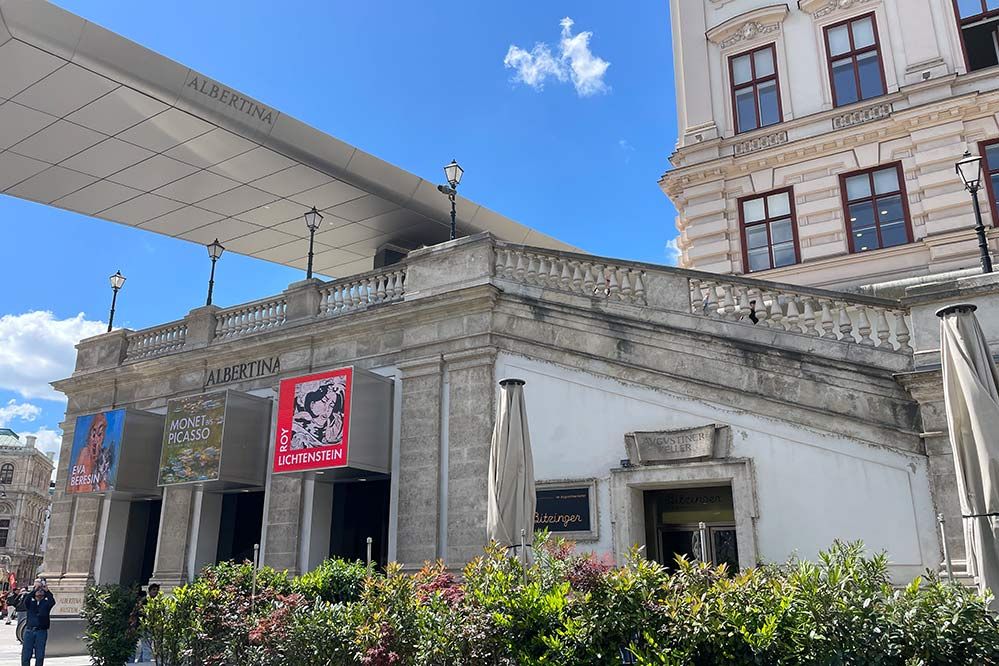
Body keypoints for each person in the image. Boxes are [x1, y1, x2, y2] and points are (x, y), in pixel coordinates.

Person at [21, 581, 54, 666]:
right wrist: (34, 589)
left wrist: (47, 591)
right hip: (29, 630)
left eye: (41, 591)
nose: (39, 592)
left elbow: (52, 601)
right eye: (38, 591)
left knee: (40, 655)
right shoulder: (31, 603)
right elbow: (26, 600)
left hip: (41, 631)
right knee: (26, 654)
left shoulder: (46, 604)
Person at [132, 583, 159, 663]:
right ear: (149, 591)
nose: (155, 591)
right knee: (146, 647)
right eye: (153, 589)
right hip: (142, 626)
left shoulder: (156, 602)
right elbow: (139, 613)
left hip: (149, 627)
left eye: (157, 590)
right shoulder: (144, 601)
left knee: (145, 647)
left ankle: (140, 662)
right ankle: (145, 662)